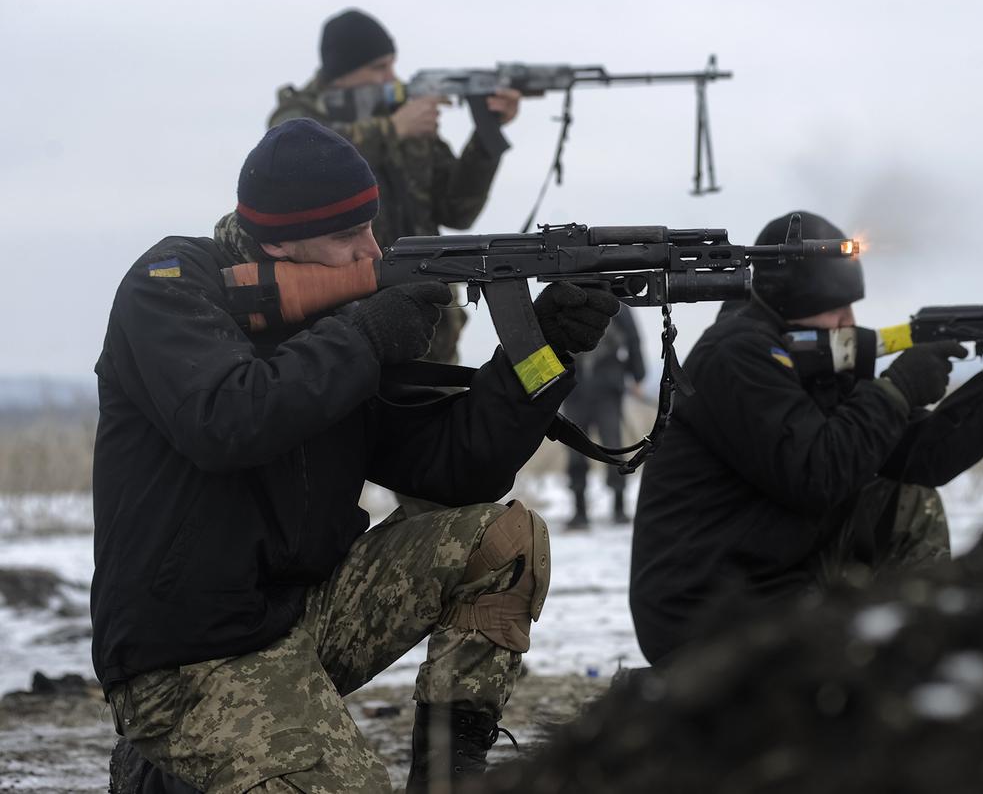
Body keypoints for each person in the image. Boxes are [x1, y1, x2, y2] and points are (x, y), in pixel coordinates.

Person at [92, 118, 619, 792]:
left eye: (372, 226)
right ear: (281, 237)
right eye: (349, 235)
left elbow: (454, 468)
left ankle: (450, 779)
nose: (371, 249)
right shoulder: (168, 286)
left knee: (504, 540)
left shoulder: (334, 319)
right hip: (187, 656)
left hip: (302, 616)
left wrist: (539, 351)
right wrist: (363, 338)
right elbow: (227, 418)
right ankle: (162, 763)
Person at [628, 211, 983, 666]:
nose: (851, 322)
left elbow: (920, 457)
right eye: (838, 309)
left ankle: (914, 666)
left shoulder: (805, 360)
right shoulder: (736, 357)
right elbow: (818, 473)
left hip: (769, 583)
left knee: (907, 494)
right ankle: (905, 671)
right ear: (796, 306)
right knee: (901, 500)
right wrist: (895, 390)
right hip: (702, 617)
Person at [268, 8, 520, 362]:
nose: (393, 78)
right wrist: (393, 130)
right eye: (378, 68)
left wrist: (485, 135)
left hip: (433, 335)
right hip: (349, 337)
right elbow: (299, 160)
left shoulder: (404, 118)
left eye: (392, 65)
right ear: (342, 75)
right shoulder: (298, 116)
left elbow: (458, 210)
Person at [561, 304, 647, 529]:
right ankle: (579, 510)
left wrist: (637, 375)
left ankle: (619, 508)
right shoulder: (564, 301)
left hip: (605, 385)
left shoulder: (616, 304)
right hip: (575, 386)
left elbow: (633, 338)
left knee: (613, 447)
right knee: (576, 450)